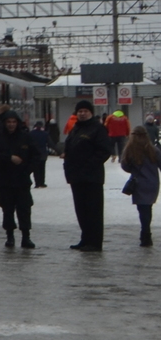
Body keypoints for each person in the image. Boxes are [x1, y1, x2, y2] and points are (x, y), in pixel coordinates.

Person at [0, 109, 41, 249]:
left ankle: (26, 236)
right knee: (7, 209)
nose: (11, 124)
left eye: (14, 122)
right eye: (8, 122)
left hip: (22, 180)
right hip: (5, 180)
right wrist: (8, 158)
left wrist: (28, 169)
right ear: (4, 123)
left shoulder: (25, 137)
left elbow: (36, 155)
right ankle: (10, 236)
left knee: (24, 209)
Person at [62, 100, 111, 252]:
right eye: (80, 111)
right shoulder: (75, 128)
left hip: (92, 177)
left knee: (93, 211)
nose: (82, 114)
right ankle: (85, 239)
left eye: (85, 111)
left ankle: (95, 242)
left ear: (91, 113)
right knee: (81, 210)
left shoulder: (98, 129)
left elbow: (104, 151)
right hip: (76, 177)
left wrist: (89, 164)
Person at [122, 127, 158, 249]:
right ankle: (146, 233)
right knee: (148, 207)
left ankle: (145, 234)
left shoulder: (130, 150)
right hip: (152, 184)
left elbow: (125, 166)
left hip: (138, 184)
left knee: (142, 209)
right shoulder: (153, 150)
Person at [27, 120, 52, 189]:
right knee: (42, 168)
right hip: (43, 153)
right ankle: (42, 182)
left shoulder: (31, 134)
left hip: (34, 154)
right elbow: (50, 143)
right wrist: (59, 151)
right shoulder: (45, 134)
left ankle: (37, 183)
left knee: (36, 169)